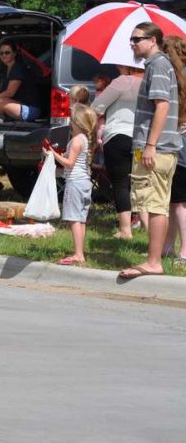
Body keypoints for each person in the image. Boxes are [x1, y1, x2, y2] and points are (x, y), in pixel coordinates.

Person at [119, 22, 183, 279]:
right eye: (131, 40)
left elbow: (162, 106)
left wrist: (150, 145)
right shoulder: (160, 65)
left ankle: (153, 262)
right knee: (158, 204)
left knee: (154, 205)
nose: (132, 44)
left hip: (156, 149)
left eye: (137, 39)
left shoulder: (157, 65)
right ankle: (156, 257)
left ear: (153, 40)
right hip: (164, 148)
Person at [92, 64, 144, 239]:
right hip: (140, 141)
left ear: (124, 65)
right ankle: (145, 225)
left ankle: (125, 229)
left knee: (121, 183)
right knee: (139, 182)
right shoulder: (148, 82)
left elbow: (96, 106)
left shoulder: (121, 82)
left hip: (117, 138)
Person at [51, 104, 98, 266]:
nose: (70, 122)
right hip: (84, 181)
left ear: (77, 123)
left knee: (74, 219)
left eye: (72, 119)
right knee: (81, 219)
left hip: (75, 182)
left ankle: (78, 254)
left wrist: (54, 155)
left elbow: (70, 163)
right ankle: (80, 251)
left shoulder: (77, 140)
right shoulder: (84, 139)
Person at [163, 36, 186, 265]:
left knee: (178, 202)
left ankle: (184, 252)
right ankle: (168, 246)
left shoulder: (175, 79)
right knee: (173, 201)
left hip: (179, 142)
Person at [0, 39, 41, 121]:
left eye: (7, 52)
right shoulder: (5, 69)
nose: (4, 55)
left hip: (29, 108)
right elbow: (0, 87)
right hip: (12, 104)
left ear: (14, 54)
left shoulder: (18, 68)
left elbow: (10, 92)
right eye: (1, 53)